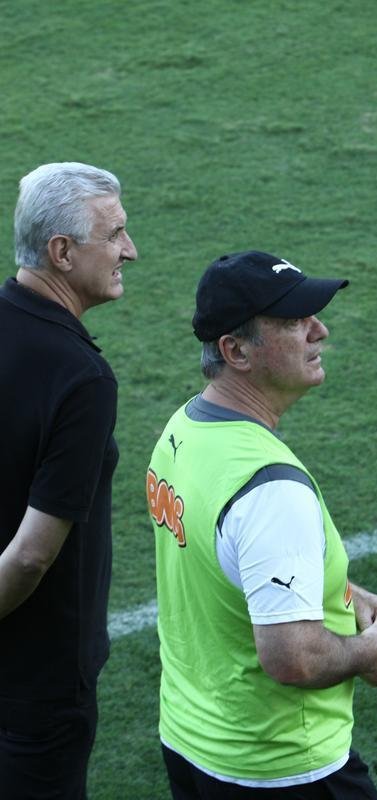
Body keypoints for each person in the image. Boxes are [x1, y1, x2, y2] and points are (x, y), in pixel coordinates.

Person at [147, 251, 377, 800]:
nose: (320, 330)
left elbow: (227, 562)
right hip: (283, 767)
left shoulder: (185, 428)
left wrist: (341, 591)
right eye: (293, 322)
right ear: (235, 350)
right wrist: (373, 652)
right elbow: (293, 656)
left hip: (193, 741)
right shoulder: (271, 488)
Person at [0, 162, 137, 799]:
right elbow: (29, 557)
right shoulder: (81, 376)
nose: (129, 252)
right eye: (113, 235)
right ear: (62, 252)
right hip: (36, 683)